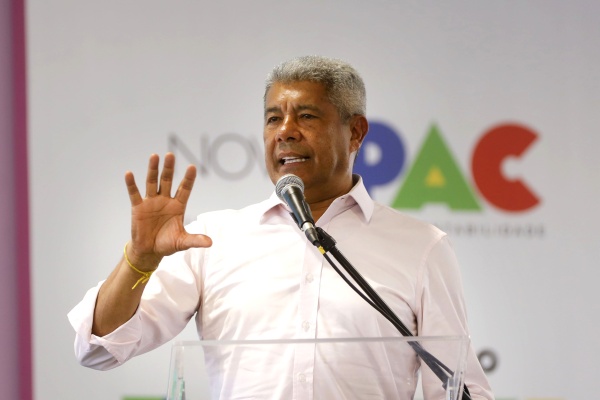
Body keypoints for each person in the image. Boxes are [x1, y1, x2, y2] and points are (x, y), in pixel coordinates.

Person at [69, 55, 493, 399]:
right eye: (273, 119)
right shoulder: (213, 239)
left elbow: (459, 387)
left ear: (356, 132)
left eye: (306, 116)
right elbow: (98, 348)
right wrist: (140, 260)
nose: (285, 132)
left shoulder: (421, 247)